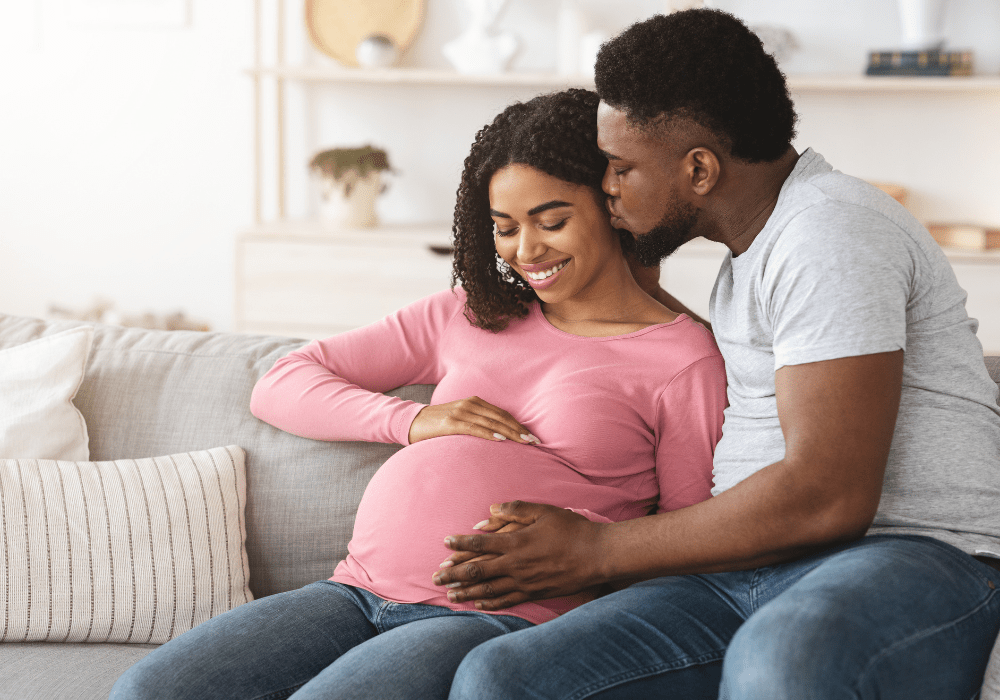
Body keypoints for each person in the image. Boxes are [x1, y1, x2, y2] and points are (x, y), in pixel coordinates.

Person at [437, 9, 1000, 699]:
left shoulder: (828, 230)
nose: (605, 189)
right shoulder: (750, 258)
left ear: (699, 168)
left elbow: (829, 497)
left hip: (910, 555)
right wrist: (637, 290)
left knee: (784, 657)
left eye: (619, 169)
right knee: (505, 677)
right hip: (752, 570)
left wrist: (595, 550)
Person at [108, 88, 727, 700]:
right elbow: (280, 382)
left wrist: (588, 535)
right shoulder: (469, 312)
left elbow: (689, 538)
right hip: (354, 594)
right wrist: (414, 420)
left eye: (553, 220)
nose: (526, 251)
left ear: (612, 203)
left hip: (491, 615)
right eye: (505, 228)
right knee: (145, 691)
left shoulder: (680, 357)